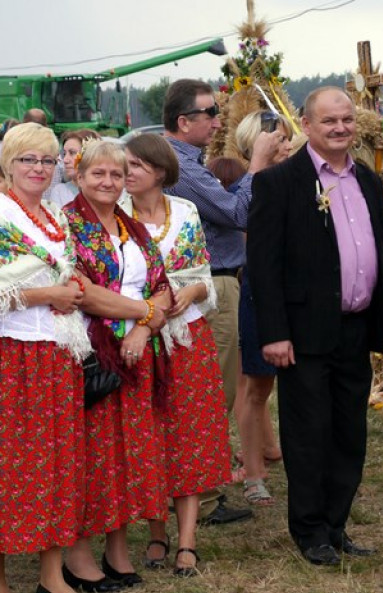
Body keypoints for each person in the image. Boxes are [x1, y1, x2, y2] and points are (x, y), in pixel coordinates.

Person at [247, 86, 383, 566]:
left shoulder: (367, 181)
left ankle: (336, 524)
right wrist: (273, 333)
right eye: (329, 121)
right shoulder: (280, 184)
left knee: (349, 432)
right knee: (308, 431)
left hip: (356, 328)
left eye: (346, 120)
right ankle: (310, 529)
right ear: (306, 125)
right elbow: (263, 266)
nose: (340, 128)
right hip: (302, 334)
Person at [0, 122, 97, 593]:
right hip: (14, 353)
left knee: (61, 460)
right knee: (12, 461)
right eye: (28, 160)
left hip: (58, 351)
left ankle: (51, 575)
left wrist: (72, 291)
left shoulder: (55, 218)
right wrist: (52, 293)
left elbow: (66, 274)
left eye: (47, 160)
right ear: (8, 164)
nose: (39, 168)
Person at [119, 134, 233, 576]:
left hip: (186, 340)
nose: (126, 173)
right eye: (124, 165)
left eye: (135, 166)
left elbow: (203, 275)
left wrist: (190, 289)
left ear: (160, 171)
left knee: (189, 435)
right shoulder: (115, 216)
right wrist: (151, 310)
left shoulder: (184, 212)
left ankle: (187, 540)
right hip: (136, 338)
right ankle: (155, 532)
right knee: (147, 434)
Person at [62, 140, 171, 593]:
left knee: (128, 453)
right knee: (90, 455)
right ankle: (77, 554)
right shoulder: (67, 224)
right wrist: (143, 313)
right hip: (90, 357)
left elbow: (164, 288)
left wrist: (144, 328)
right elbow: (81, 290)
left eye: (115, 174)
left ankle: (118, 547)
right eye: (97, 174)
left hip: (135, 355)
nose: (107, 182)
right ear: (79, 177)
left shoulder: (133, 228)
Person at [162, 78, 253, 526]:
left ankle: (195, 486)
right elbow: (238, 213)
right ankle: (202, 491)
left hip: (207, 286)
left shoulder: (184, 162)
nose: (217, 120)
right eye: (209, 113)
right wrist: (259, 166)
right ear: (184, 121)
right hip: (212, 288)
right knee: (212, 394)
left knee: (208, 392)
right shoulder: (184, 168)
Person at [228, 111, 295, 506]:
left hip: (299, 291)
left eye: (288, 140)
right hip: (262, 290)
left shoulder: (303, 183)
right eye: (280, 140)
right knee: (256, 387)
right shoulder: (247, 189)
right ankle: (253, 473)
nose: (288, 147)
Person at [48, 129, 100, 207]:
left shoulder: (107, 188)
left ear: (90, 155)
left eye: (72, 153)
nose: (65, 160)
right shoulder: (60, 192)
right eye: (64, 154)